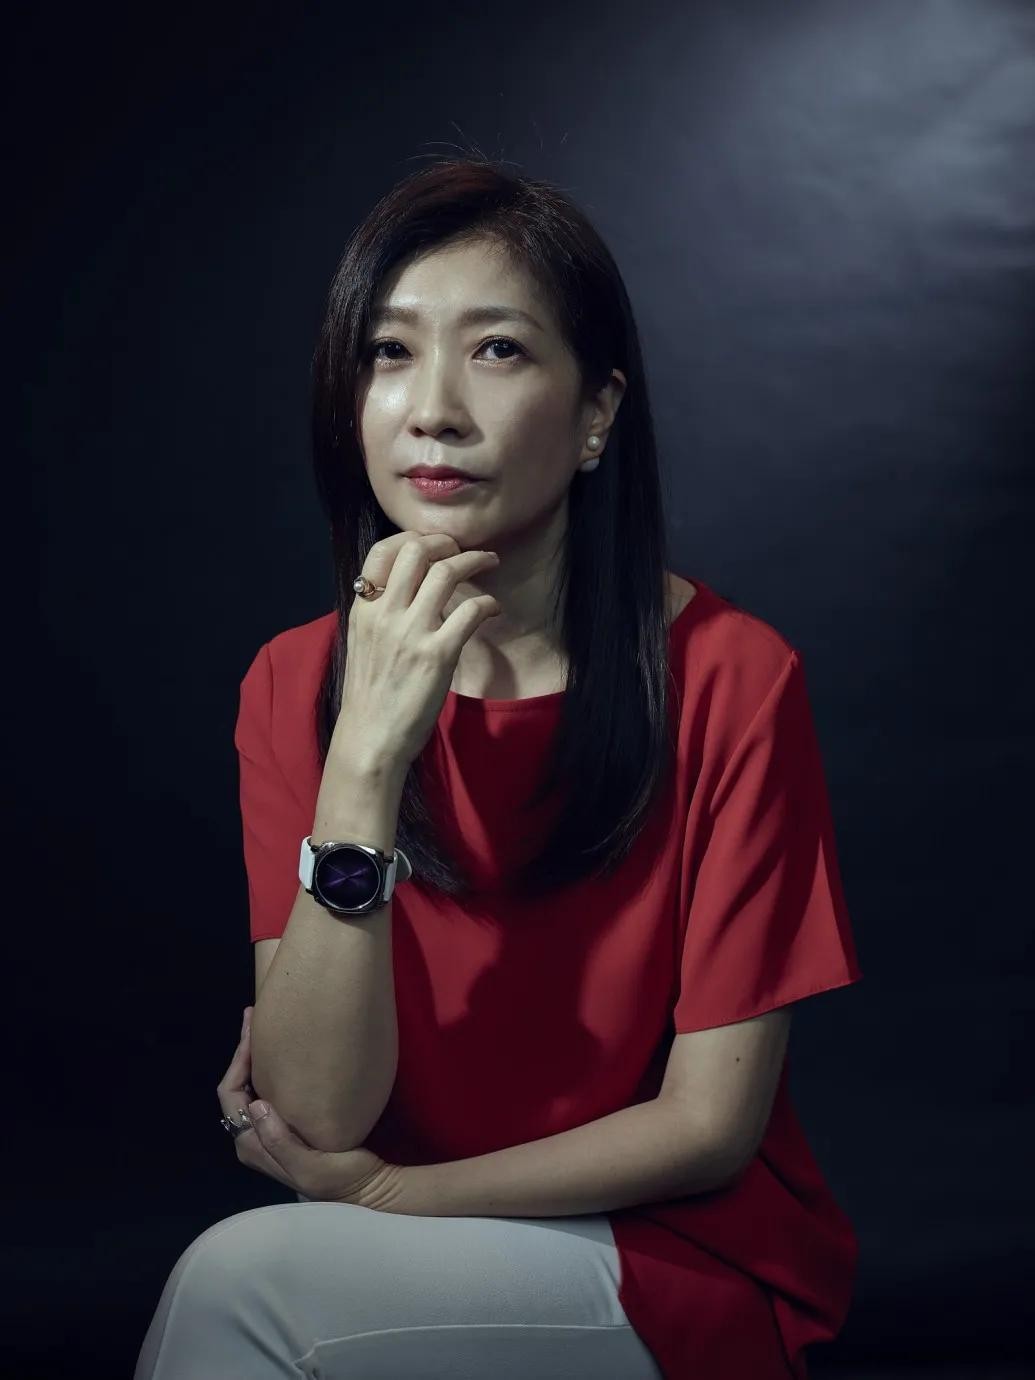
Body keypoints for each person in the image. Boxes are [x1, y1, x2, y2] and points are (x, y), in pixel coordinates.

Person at [134, 156, 863, 1380]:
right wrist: (366, 756)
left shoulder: (734, 677)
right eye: (390, 351)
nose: (434, 408)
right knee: (251, 1286)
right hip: (394, 1249)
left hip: (670, 1260)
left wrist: (393, 1196)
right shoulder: (292, 682)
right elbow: (312, 1114)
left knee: (240, 1286)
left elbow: (710, 1126)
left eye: (498, 350)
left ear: (596, 414)